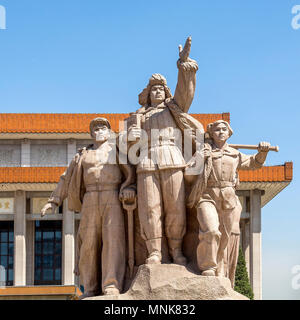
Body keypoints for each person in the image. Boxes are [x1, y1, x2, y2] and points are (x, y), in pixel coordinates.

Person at [41, 117, 136, 298]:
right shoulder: (82, 155)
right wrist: (53, 201)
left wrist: (129, 188)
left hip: (112, 196)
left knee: (113, 242)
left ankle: (111, 285)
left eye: (103, 128)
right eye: (96, 128)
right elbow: (65, 178)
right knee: (88, 244)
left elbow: (131, 175)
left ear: (109, 132)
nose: (99, 131)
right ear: (91, 133)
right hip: (90, 198)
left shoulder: (117, 152)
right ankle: (90, 287)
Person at [125, 37, 199, 265]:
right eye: (153, 89)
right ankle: (155, 251)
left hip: (172, 159)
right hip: (146, 162)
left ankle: (176, 250)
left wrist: (183, 64)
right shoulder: (136, 116)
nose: (157, 92)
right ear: (146, 94)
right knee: (150, 209)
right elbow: (125, 151)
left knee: (175, 208)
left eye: (160, 89)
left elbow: (185, 92)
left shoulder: (174, 108)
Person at [186, 120, 270, 277]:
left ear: (229, 133)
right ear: (211, 133)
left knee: (224, 238)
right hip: (207, 196)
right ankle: (207, 266)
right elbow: (188, 175)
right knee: (211, 231)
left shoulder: (234, 153)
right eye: (217, 129)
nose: (221, 132)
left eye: (224, 129)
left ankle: (219, 266)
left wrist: (263, 152)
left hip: (228, 198)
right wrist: (199, 160)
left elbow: (254, 163)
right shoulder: (204, 151)